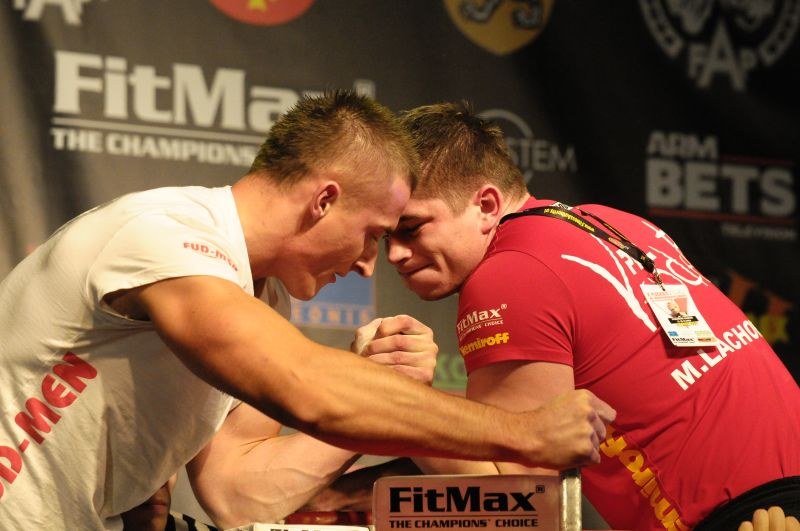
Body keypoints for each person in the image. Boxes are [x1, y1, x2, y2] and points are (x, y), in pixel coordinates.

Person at [0, 91, 615, 530]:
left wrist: (379, 384)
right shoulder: (167, 236)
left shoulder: (259, 292)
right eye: (373, 234)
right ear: (324, 200)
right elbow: (307, 387)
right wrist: (523, 432)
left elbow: (241, 495)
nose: (371, 265)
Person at [383, 101, 800, 530]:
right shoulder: (614, 222)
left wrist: (395, 401)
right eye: (385, 236)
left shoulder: (510, 272)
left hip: (749, 520)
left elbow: (517, 502)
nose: (394, 254)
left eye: (411, 228)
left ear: (487, 204)